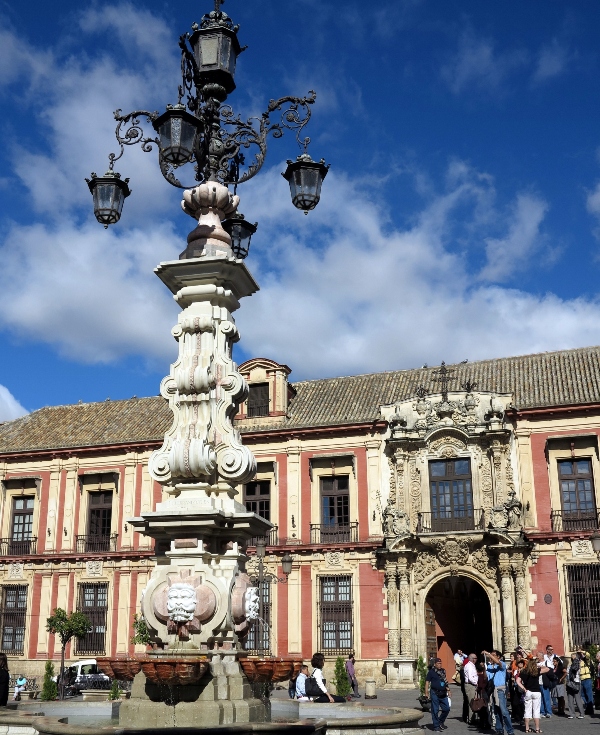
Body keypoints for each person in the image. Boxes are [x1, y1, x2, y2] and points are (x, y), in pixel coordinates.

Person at [483, 649, 515, 735]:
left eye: (494, 655)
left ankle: (510, 731)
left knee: (504, 711)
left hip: (500, 690)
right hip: (493, 690)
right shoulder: (490, 667)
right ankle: (499, 729)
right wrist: (484, 669)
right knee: (496, 711)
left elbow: (498, 662)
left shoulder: (502, 664)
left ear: (499, 657)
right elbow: (486, 677)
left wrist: (488, 654)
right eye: (491, 655)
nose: (491, 657)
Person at [517, 657, 542, 733]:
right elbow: (548, 669)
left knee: (527, 711)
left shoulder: (523, 671)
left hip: (528, 691)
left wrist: (524, 688)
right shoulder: (536, 671)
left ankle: (527, 728)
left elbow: (518, 681)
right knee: (536, 711)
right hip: (536, 692)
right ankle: (537, 728)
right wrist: (539, 665)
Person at [425, 658, 450, 732]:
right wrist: (426, 693)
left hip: (443, 693)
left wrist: (448, 690)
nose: (440, 665)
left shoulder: (443, 671)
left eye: (440, 663)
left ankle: (440, 721)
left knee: (446, 708)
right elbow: (427, 682)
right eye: (438, 663)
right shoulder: (431, 672)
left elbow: (445, 681)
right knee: (435, 710)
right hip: (434, 693)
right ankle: (436, 726)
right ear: (435, 664)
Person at [566, 653, 585, 719]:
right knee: (570, 699)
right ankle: (572, 714)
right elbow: (567, 674)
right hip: (570, 683)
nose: (572, 659)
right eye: (571, 657)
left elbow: (576, 671)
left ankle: (581, 714)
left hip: (576, 682)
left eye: (573, 658)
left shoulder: (578, 665)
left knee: (577, 699)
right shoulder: (570, 665)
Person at [577, 650, 593, 715]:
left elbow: (588, 655)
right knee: (583, 695)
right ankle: (587, 707)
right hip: (581, 680)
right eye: (578, 654)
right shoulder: (578, 661)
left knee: (589, 695)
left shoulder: (587, 660)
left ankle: (590, 710)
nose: (579, 655)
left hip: (587, 679)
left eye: (580, 654)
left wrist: (582, 651)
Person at [464, 653, 478, 724]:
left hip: (472, 685)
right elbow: (470, 677)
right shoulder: (469, 666)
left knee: (473, 702)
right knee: (472, 702)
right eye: (475, 658)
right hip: (470, 685)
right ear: (472, 659)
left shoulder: (472, 665)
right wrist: (476, 683)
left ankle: (473, 718)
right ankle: (471, 719)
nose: (476, 659)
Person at [476, 662, 491, 730]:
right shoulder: (485, 676)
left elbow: (480, 686)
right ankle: (487, 723)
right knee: (486, 709)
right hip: (485, 693)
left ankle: (483, 723)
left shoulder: (480, 677)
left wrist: (477, 688)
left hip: (482, 693)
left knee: (482, 709)